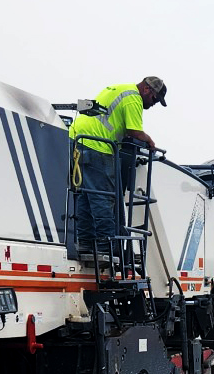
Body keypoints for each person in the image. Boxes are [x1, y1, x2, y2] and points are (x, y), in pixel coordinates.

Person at [68, 76, 168, 259]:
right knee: (103, 198)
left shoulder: (119, 88)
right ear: (147, 89)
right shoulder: (133, 99)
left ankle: (85, 243)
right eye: (155, 99)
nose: (153, 104)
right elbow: (134, 132)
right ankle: (106, 247)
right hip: (98, 145)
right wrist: (149, 141)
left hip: (77, 139)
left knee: (84, 195)